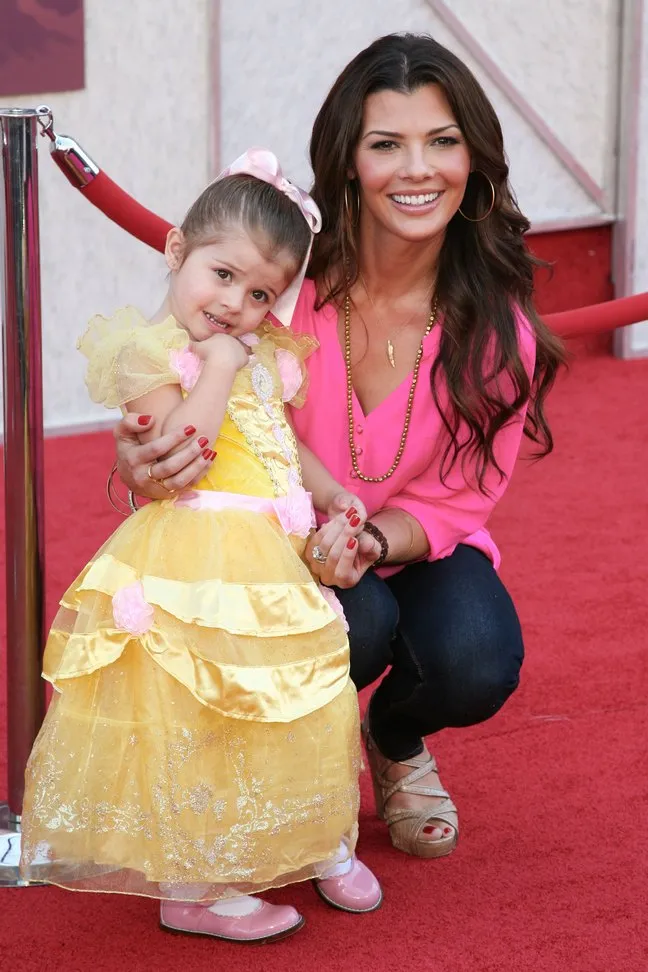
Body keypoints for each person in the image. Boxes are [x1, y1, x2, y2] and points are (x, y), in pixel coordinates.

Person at [111, 34, 566, 861]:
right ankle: (286, 769)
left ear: (474, 160)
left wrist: (367, 537)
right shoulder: (284, 282)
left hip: (404, 541)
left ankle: (392, 740)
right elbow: (177, 365)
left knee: (476, 657)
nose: (416, 169)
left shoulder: (498, 325)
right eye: (386, 144)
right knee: (353, 625)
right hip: (270, 538)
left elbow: (463, 499)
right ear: (349, 160)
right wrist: (141, 451)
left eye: (442, 141)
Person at [19, 149, 382, 945]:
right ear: (177, 250)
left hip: (271, 553)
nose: (236, 304)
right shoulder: (149, 351)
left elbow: (282, 440)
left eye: (260, 294)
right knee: (206, 716)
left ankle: (318, 838)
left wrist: (328, 493)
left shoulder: (269, 359)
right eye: (222, 275)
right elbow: (188, 449)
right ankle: (197, 887)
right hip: (195, 551)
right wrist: (218, 363)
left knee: (311, 696)